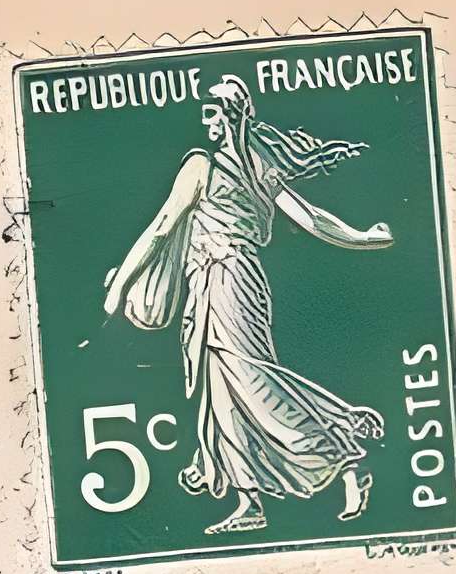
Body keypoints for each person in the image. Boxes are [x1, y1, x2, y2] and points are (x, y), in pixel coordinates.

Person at [102, 74, 394, 535]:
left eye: (214, 114)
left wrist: (122, 281)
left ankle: (344, 454)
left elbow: (162, 226)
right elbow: (312, 219)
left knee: (248, 379)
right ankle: (250, 501)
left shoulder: (205, 165)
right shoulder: (257, 167)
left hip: (227, 282)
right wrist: (363, 239)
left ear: (233, 114)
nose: (208, 123)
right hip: (225, 282)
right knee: (224, 391)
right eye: (205, 115)